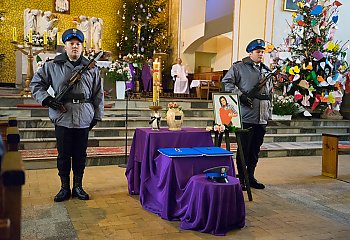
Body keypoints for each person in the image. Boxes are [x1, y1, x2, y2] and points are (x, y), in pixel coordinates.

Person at [30, 28, 104, 202]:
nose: (75, 47)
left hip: (84, 117)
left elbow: (98, 94)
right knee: (63, 155)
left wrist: (97, 116)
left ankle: (78, 186)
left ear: (82, 46)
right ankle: (64, 188)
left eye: (78, 44)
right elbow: (36, 84)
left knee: (80, 155)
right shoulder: (52, 66)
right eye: (71, 44)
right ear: (65, 46)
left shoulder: (91, 68)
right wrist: (47, 100)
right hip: (63, 117)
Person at [221, 39, 273, 190]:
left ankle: (251, 177)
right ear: (250, 53)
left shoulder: (266, 70)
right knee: (243, 149)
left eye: (262, 52)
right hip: (246, 115)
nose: (261, 54)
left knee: (255, 149)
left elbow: (269, 95)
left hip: (261, 117)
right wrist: (240, 96)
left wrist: (268, 113)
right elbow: (226, 83)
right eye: (258, 52)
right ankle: (242, 178)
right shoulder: (239, 67)